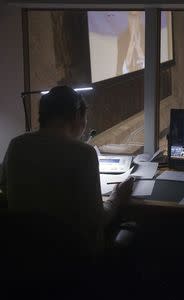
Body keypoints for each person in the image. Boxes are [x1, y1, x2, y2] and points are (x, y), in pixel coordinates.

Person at [0, 86, 134, 257]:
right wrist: (117, 197)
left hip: (27, 255)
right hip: (75, 258)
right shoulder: (83, 153)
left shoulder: (15, 145)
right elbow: (97, 220)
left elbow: (5, 188)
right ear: (78, 115)